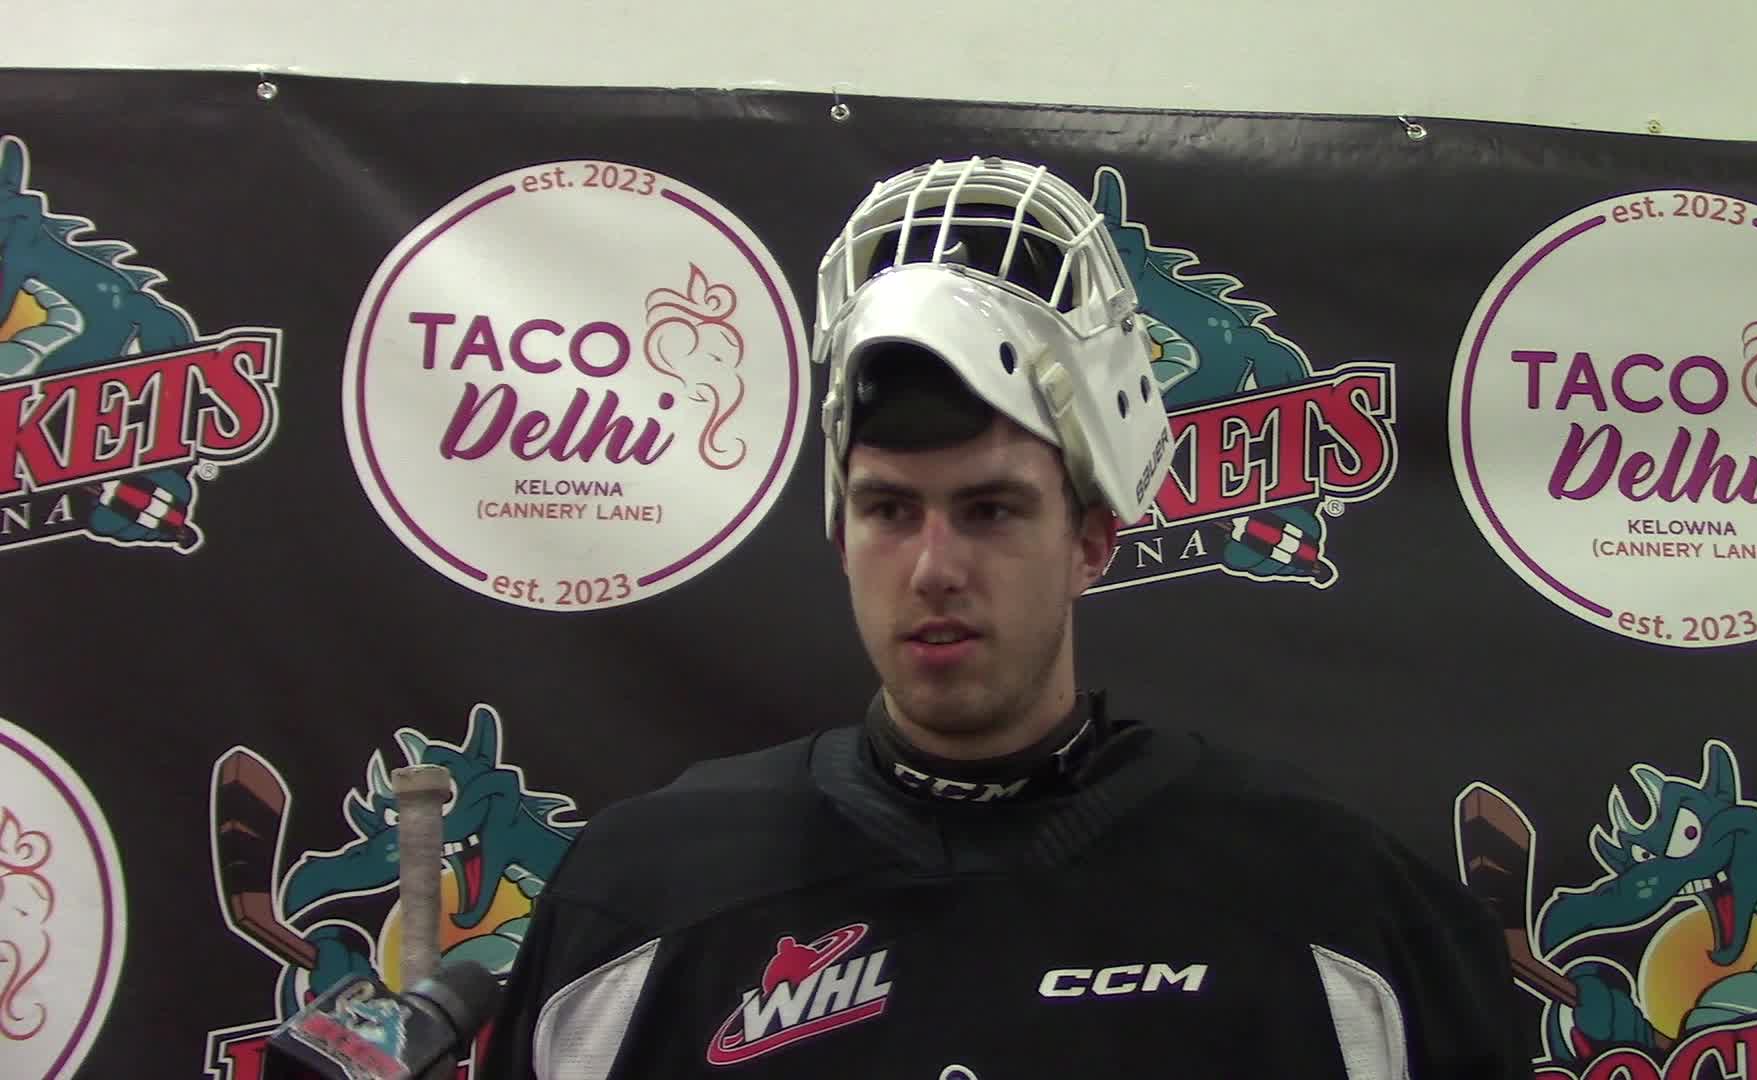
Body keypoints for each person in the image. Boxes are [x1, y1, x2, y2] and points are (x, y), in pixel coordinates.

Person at [477, 157, 1532, 1079]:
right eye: (890, 511)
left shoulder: (1339, 907)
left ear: (1092, 540)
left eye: (990, 510)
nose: (935, 568)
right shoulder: (642, 898)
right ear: (840, 535)